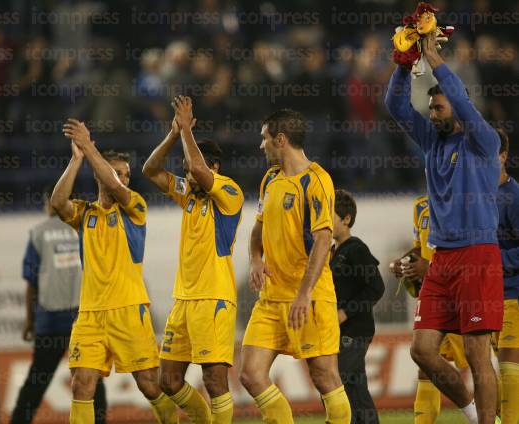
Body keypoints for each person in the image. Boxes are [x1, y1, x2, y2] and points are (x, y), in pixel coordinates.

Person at [385, 31, 504, 424]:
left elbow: (465, 105)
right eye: (431, 108)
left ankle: (489, 422)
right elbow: (394, 104)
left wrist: (434, 57)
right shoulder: (432, 142)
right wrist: (405, 63)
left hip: (477, 256)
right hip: (442, 259)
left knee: (476, 354)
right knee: (421, 349)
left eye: (438, 108)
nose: (432, 114)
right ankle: (471, 411)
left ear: (458, 106)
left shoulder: (482, 141)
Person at [53, 120, 178, 424]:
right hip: (91, 314)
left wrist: (88, 145)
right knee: (81, 384)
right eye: (117, 173)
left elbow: (113, 187)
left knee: (149, 384)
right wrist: (77, 158)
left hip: (128, 310)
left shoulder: (135, 208)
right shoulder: (86, 213)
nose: (123, 179)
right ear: (99, 173)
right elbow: (58, 202)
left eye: (126, 175)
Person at [240, 108, 351, 423]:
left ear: (281, 139)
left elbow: (322, 241)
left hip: (310, 298)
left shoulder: (316, 181)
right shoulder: (270, 180)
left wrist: (304, 294)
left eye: (264, 139)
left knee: (324, 377)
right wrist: (256, 259)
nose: (261, 146)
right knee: (250, 374)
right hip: (271, 298)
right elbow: (258, 229)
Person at [142, 96, 243, 424]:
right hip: (183, 300)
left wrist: (186, 129)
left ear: (214, 168)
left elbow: (197, 167)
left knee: (214, 381)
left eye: (192, 170)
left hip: (214, 298)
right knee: (168, 380)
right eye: (184, 172)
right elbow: (150, 170)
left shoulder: (229, 194)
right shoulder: (189, 195)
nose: (187, 176)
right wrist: (173, 134)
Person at [10, 187, 107, 424]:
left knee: (36, 381)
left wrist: (30, 321)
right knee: (92, 380)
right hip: (83, 319)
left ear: (48, 203)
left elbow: (31, 282)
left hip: (50, 321)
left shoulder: (38, 233)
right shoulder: (87, 226)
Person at [389, 194, 471, 424]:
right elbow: (419, 249)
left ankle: (492, 418)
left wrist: (430, 267)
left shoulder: (466, 201)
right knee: (426, 364)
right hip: (434, 297)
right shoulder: (421, 206)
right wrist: (404, 261)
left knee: (479, 363)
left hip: (462, 295)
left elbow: (470, 252)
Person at [331, 189, 384, 423]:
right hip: (341, 333)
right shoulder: (333, 252)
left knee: (334, 386)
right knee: (355, 392)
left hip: (354, 332)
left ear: (346, 219)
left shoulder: (356, 248)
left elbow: (377, 286)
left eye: (328, 215)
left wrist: (345, 312)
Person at [494, 128, 519, 423]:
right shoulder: (477, 195)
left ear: (503, 156)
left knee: (508, 363)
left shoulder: (513, 197)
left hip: (514, 293)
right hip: (488, 295)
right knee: (493, 368)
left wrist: (492, 261)